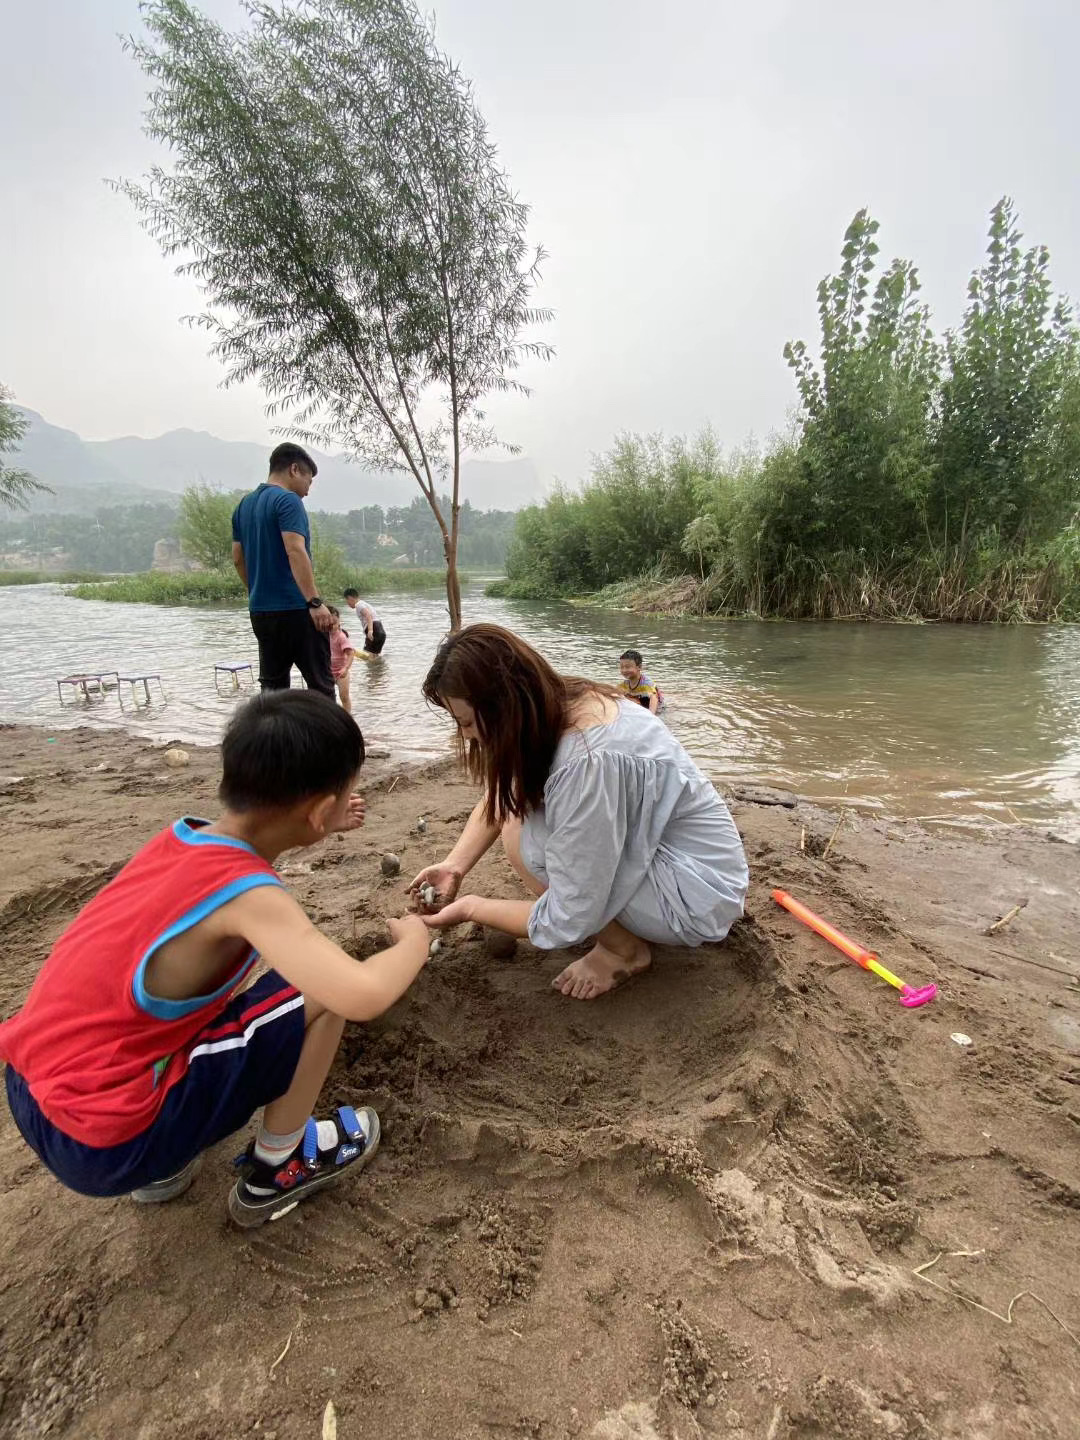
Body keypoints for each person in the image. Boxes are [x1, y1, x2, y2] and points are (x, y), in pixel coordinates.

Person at [0, 691, 430, 1226]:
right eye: (346, 796)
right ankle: (281, 1165)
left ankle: (165, 1163)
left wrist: (319, 822)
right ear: (319, 812)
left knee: (163, 1011)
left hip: (30, 1087)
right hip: (103, 1140)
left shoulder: (181, 841)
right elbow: (363, 994)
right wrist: (414, 942)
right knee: (322, 985)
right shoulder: (249, 896)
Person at [410, 625, 748, 1001]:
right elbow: (502, 794)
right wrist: (455, 866)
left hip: (696, 896)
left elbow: (570, 916)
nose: (468, 736)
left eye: (468, 722)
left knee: (524, 839)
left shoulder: (586, 761)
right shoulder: (562, 700)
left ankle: (623, 951)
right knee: (521, 816)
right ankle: (622, 933)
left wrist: (472, 908)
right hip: (688, 858)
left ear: (504, 703)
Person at [231, 443, 335, 696]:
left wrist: (256, 591)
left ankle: (272, 736)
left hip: (261, 611)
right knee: (320, 686)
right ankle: (327, 737)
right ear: (294, 469)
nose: (308, 491)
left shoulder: (243, 506)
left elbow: (237, 559)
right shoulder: (288, 501)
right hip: (296, 609)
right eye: (309, 480)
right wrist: (314, 602)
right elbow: (295, 550)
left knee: (273, 689)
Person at [327, 606, 355, 714]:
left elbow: (351, 653)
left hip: (341, 672)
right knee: (327, 697)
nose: (331, 626)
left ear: (339, 621)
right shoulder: (322, 635)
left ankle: (348, 717)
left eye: (334, 623)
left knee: (344, 697)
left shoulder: (341, 636)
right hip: (327, 671)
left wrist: (345, 668)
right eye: (329, 624)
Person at [617, 649, 664, 714]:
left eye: (627, 667)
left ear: (639, 667)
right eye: (621, 667)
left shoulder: (647, 684)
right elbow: (613, 695)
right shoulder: (623, 685)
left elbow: (654, 699)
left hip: (658, 709)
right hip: (640, 704)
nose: (624, 670)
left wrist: (651, 716)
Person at [343, 589, 387, 655]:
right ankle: (379, 665)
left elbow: (368, 615)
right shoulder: (363, 603)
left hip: (374, 630)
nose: (347, 604)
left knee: (366, 655)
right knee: (375, 656)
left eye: (347, 601)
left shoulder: (358, 605)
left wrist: (370, 631)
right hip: (381, 632)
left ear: (350, 598)